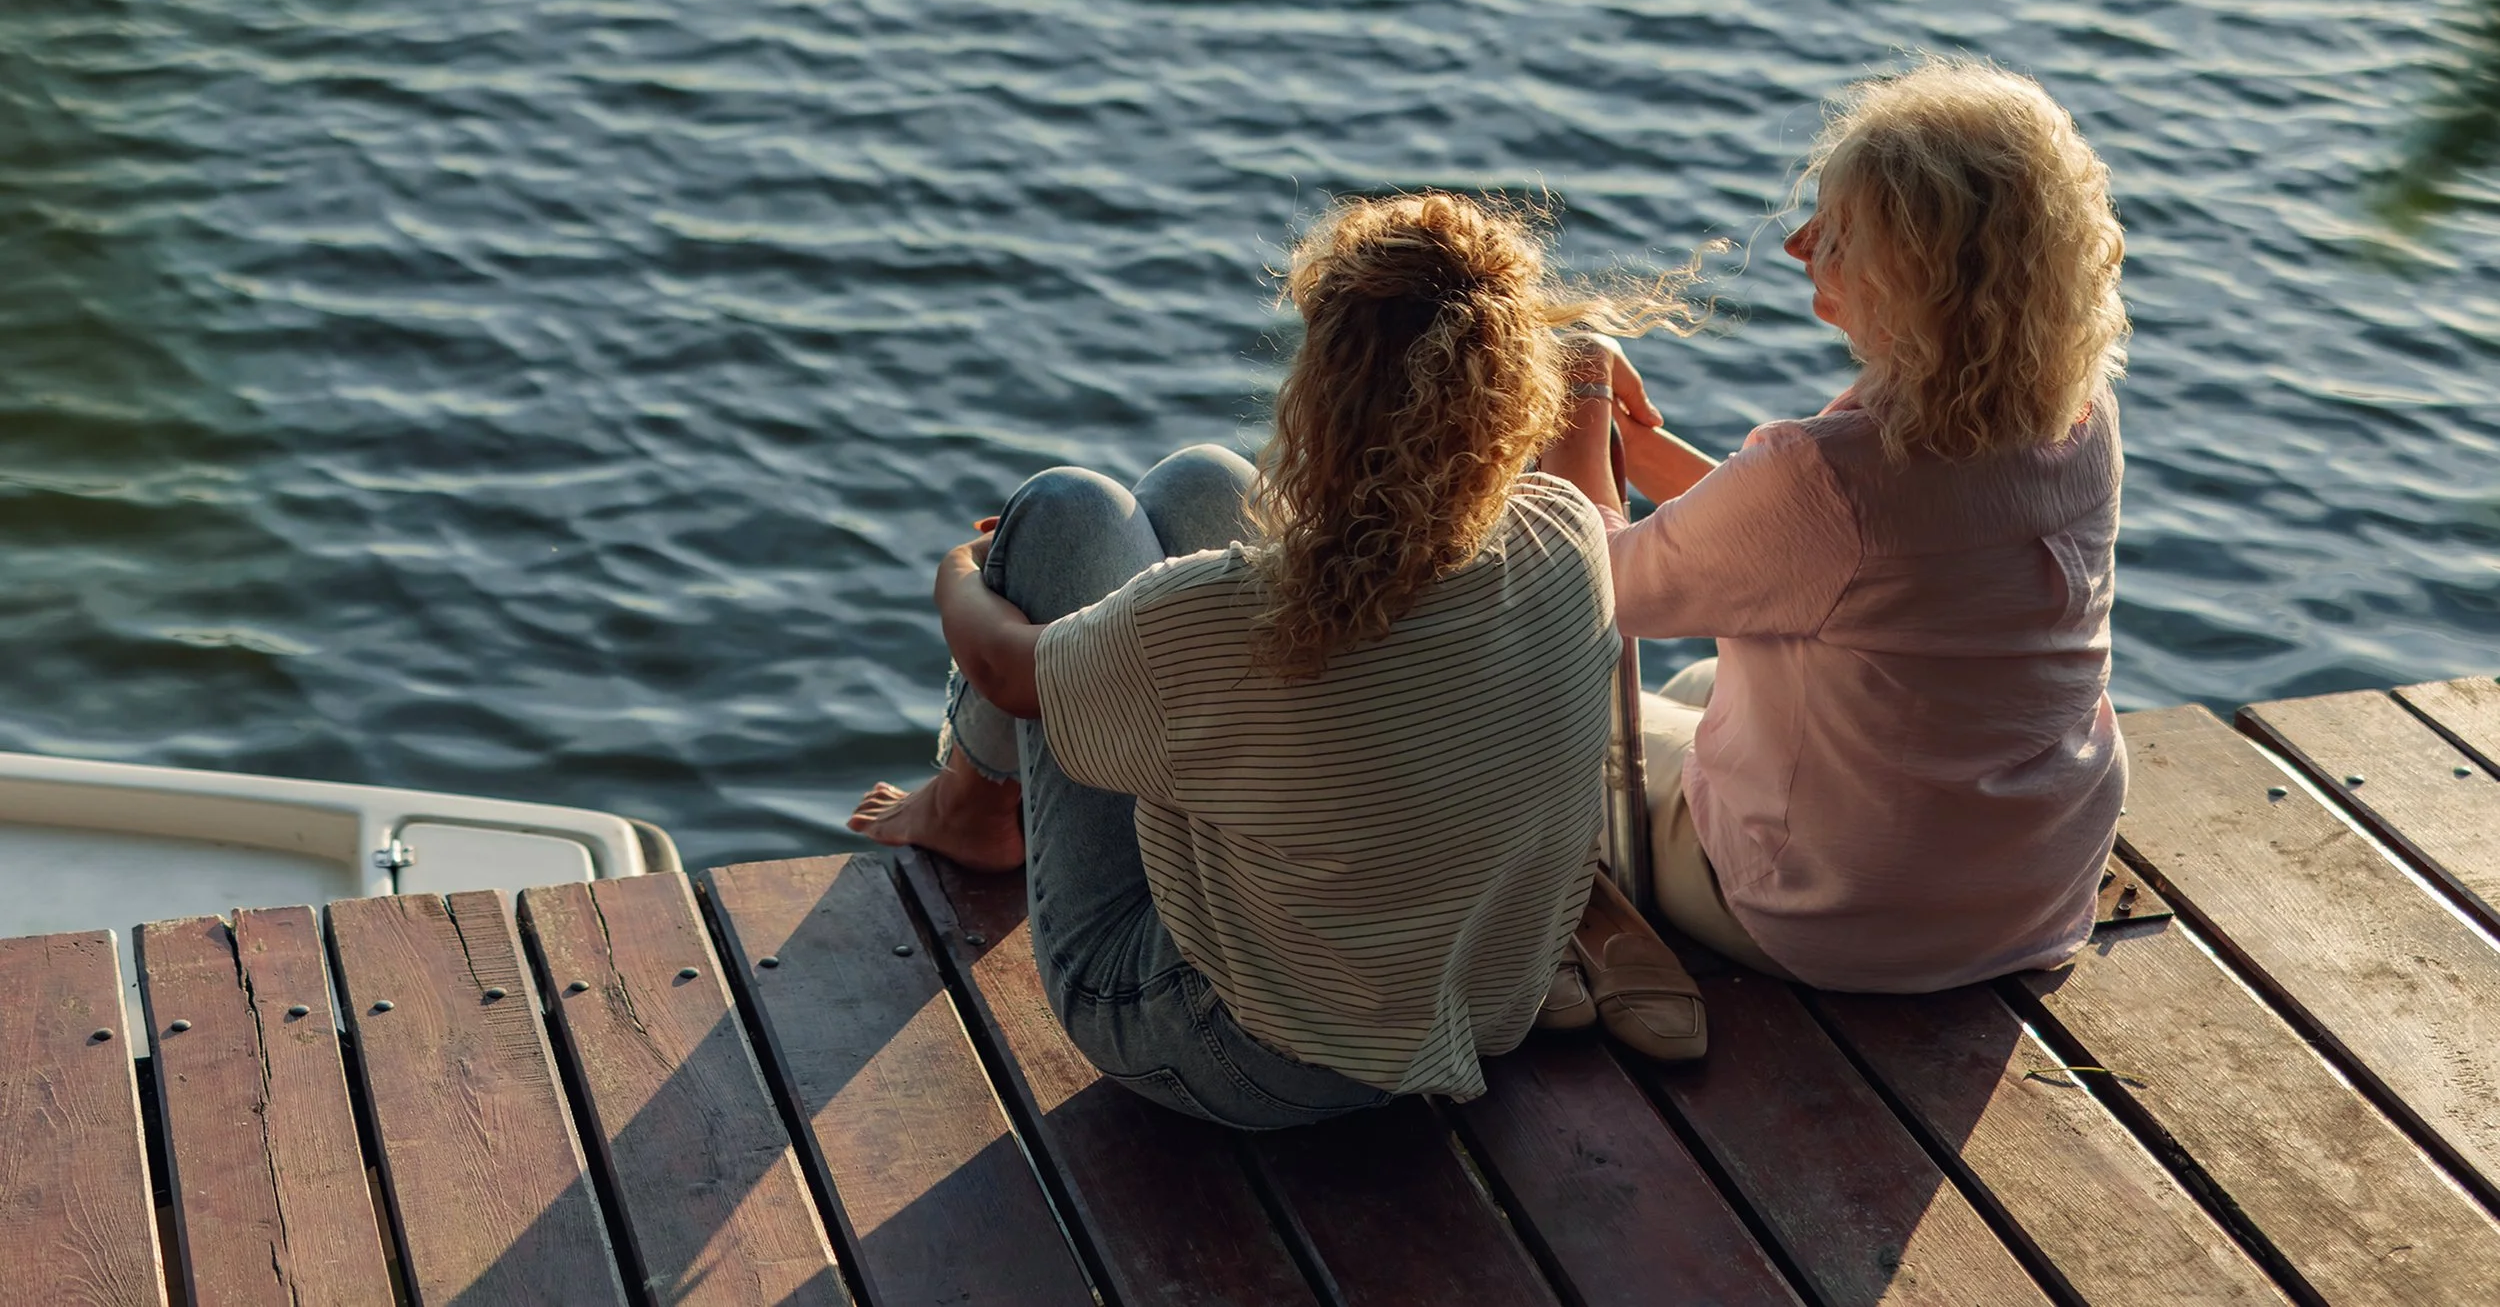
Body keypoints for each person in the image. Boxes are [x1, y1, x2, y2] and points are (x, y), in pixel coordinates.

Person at [849, 191, 1686, 1122]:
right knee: (1202, 483)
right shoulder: (1564, 534)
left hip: (1244, 1056)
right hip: (1478, 1007)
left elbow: (1006, 669)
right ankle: (989, 792)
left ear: (1324, 396)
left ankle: (968, 809)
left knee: (1067, 512)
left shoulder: (1228, 622)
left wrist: (960, 572)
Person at [1542, 56, 2131, 992]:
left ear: (1923, 274)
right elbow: (1840, 557)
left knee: (1554, 735)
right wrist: (1641, 453)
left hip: (1843, 914)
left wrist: (1576, 388)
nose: (1801, 244)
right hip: (2032, 885)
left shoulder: (1829, 474)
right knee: (1706, 679)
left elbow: (1587, 582)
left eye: (1844, 231)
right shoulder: (2075, 415)